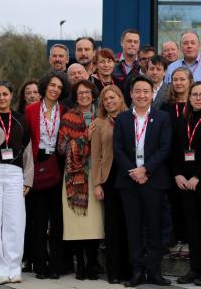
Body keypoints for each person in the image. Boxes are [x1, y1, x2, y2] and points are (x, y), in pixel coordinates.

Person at [113, 75, 173, 287]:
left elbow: (165, 147)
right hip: (128, 181)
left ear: (152, 94)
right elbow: (117, 148)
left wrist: (145, 170)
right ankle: (137, 271)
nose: (141, 95)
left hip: (153, 180)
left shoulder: (162, 117)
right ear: (130, 94)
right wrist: (134, 171)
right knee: (134, 228)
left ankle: (154, 271)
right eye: (137, 91)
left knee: (155, 227)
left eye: (146, 91)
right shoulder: (122, 119)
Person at [170, 81, 201, 286]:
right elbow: (174, 150)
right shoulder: (182, 120)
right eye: (194, 94)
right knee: (192, 227)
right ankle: (195, 268)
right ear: (189, 97)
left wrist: (197, 177)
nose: (198, 98)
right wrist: (177, 174)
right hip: (184, 182)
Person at [0, 80, 33, 285]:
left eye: (5, 94)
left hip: (15, 174)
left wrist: (28, 179)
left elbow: (28, 151)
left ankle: (13, 268)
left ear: (11, 95)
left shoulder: (21, 119)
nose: (2, 98)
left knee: (16, 222)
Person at [57, 80, 104, 280]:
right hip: (74, 177)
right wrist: (85, 136)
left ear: (93, 95)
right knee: (77, 225)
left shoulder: (101, 116)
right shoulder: (68, 117)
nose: (84, 95)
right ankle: (80, 265)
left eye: (87, 92)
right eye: (80, 93)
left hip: (96, 175)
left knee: (95, 223)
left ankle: (92, 264)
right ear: (75, 97)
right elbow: (61, 148)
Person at [25, 72, 68, 279]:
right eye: (52, 85)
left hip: (58, 166)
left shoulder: (64, 110)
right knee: (39, 220)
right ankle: (40, 265)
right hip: (37, 165)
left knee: (58, 220)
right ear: (45, 86)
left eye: (59, 87)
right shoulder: (31, 109)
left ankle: (56, 266)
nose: (55, 90)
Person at [90, 85, 131, 284]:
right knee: (113, 226)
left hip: (129, 177)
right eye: (105, 99)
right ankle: (114, 271)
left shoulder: (132, 118)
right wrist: (97, 183)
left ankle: (129, 270)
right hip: (109, 178)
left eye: (112, 97)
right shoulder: (99, 123)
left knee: (129, 224)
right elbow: (95, 155)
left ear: (121, 98)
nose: (109, 102)